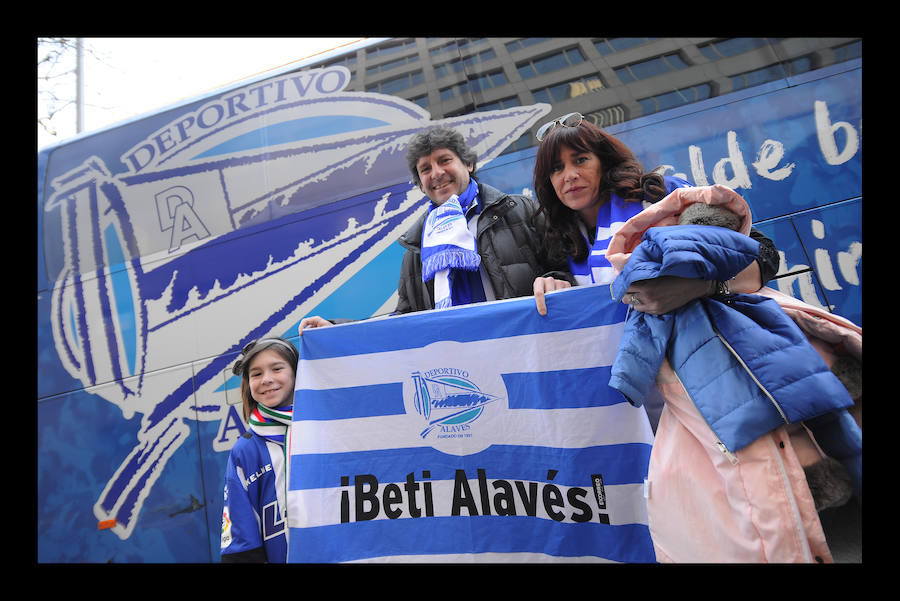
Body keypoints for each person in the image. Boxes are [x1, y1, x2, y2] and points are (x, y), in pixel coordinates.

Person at [299, 126, 574, 333]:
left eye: (444, 160)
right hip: (465, 363)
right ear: (420, 183)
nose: (436, 173)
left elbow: (567, 268)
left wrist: (555, 280)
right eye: (425, 169)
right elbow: (406, 321)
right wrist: (335, 330)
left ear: (468, 163)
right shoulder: (417, 246)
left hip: (529, 346)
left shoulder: (521, 210)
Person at [530, 112, 780, 312]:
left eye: (581, 160)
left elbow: (762, 253)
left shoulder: (659, 196)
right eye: (556, 169)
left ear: (603, 162)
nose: (569, 175)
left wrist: (701, 286)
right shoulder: (560, 241)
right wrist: (552, 284)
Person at [220, 336, 298, 563]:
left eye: (277, 368)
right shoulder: (245, 451)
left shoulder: (323, 429)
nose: (267, 379)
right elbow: (240, 540)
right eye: (256, 374)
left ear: (296, 372)